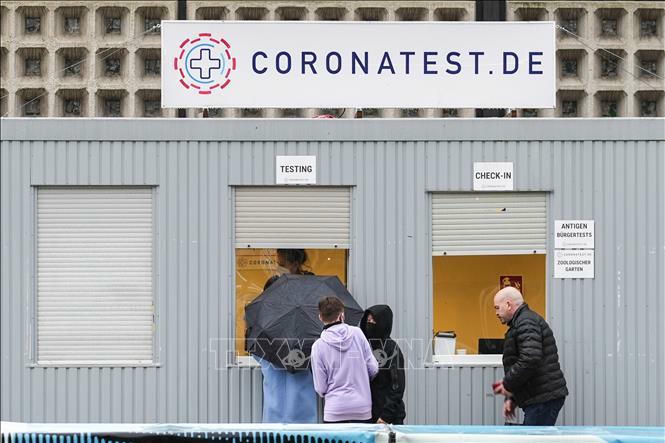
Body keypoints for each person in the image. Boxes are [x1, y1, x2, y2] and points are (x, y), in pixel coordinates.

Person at [254, 249, 317, 424]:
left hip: (298, 350)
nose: (278, 268)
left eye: (281, 264)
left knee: (282, 405)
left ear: (295, 264)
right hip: (285, 351)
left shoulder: (308, 284)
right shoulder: (276, 283)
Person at [492, 286, 568, 426]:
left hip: (542, 398)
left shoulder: (526, 322)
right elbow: (527, 364)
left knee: (532, 436)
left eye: (497, 307)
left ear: (508, 304)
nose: (496, 313)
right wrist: (512, 398)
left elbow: (530, 359)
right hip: (541, 396)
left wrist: (507, 385)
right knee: (531, 434)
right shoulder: (522, 322)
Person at [311, 296, 379, 423]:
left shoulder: (318, 347)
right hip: (361, 408)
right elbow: (373, 368)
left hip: (334, 409)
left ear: (320, 317)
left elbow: (321, 387)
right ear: (342, 315)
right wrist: (362, 380)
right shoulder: (358, 334)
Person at [359, 305, 406, 424]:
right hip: (367, 414)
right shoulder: (364, 346)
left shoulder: (391, 349)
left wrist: (386, 415)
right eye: (368, 320)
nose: (369, 324)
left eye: (373, 321)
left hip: (388, 417)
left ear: (383, 323)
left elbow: (397, 386)